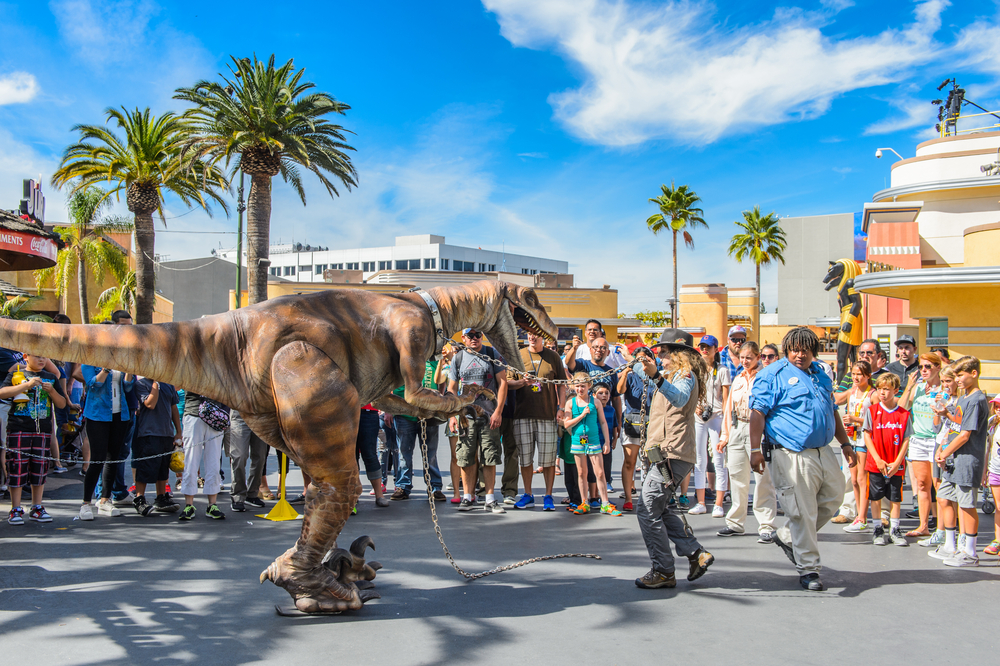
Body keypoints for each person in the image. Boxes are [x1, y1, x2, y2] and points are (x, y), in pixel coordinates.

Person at [749, 327, 855, 592]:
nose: (800, 354)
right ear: (787, 350)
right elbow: (757, 414)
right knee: (803, 511)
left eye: (806, 350)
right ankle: (809, 569)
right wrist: (754, 450)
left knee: (835, 497)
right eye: (795, 349)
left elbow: (833, 411)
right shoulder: (771, 375)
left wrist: (845, 443)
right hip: (790, 452)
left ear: (813, 351)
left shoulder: (821, 374)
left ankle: (786, 536)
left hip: (824, 449)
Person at [634, 332, 714, 590]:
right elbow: (639, 370)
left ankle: (664, 570)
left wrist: (655, 374)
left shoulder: (685, 376)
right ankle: (695, 553)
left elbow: (678, 398)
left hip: (673, 453)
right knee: (660, 508)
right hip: (666, 452)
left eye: (664, 352)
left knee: (647, 509)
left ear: (679, 355)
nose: (661, 357)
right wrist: (641, 362)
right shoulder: (670, 376)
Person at [929, 355, 989, 567]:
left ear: (974, 373)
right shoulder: (964, 398)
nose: (957, 380)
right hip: (953, 458)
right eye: (955, 375)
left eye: (960, 375)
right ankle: (951, 545)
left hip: (967, 458)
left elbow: (965, 434)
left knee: (966, 505)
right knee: (946, 497)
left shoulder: (977, 399)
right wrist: (946, 414)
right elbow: (959, 423)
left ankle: (970, 552)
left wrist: (944, 453)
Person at [717, 341, 776, 541]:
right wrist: (725, 435)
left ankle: (766, 524)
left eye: (749, 358)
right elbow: (728, 409)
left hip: (757, 428)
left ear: (758, 357)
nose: (744, 361)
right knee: (736, 475)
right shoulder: (738, 379)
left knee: (762, 478)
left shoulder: (765, 378)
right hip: (737, 427)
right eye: (742, 357)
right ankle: (735, 522)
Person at [448, 328, 508, 514]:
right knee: (466, 456)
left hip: (489, 416)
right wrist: (452, 415)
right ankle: (467, 497)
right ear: (464, 338)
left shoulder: (492, 354)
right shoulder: (458, 359)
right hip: (466, 416)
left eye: (478, 335)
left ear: (482, 337)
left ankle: (489, 498)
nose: (474, 339)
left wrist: (498, 411)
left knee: (489, 457)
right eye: (470, 336)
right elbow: (452, 388)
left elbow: (503, 383)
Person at [1, 354, 66, 524]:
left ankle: (37, 507)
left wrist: (51, 391)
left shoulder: (51, 377)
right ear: (26, 357)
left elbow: (62, 404)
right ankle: (15, 508)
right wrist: (27, 385)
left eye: (45, 357)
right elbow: (2, 393)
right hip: (18, 427)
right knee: (16, 467)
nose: (41, 360)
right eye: (37, 356)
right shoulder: (17, 374)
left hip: (42, 430)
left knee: (40, 468)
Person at [510, 331, 567, 511]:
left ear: (542, 336)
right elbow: (508, 382)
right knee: (525, 459)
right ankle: (528, 494)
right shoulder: (517, 355)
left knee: (548, 460)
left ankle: (548, 495)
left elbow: (562, 385)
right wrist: (523, 383)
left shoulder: (553, 356)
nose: (532, 337)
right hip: (522, 415)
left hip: (547, 415)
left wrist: (561, 408)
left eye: (535, 334)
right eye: (529, 334)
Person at [79, 360, 135, 520]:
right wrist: (105, 369)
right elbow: (92, 385)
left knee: (113, 459)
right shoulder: (89, 360)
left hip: (120, 414)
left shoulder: (120, 359)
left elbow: (128, 387)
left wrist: (130, 370)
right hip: (97, 414)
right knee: (97, 459)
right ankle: (86, 503)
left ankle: (105, 500)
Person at [860, 373, 910, 546]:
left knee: (895, 498)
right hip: (876, 463)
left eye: (886, 389)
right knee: (875, 497)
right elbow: (867, 435)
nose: (882, 393)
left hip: (895, 464)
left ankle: (895, 529)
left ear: (895, 390)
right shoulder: (872, 411)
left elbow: (906, 439)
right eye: (880, 389)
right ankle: (877, 528)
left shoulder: (903, 414)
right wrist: (878, 459)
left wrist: (897, 463)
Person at [898, 353, 945, 537]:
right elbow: (901, 410)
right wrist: (909, 387)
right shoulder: (917, 387)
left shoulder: (944, 388)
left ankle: (942, 528)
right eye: (921, 367)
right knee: (922, 485)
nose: (923, 370)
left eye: (928, 367)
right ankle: (923, 526)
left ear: (938, 368)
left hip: (936, 440)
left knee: (939, 486)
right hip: (917, 440)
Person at [563, 372, 620, 516]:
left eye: (583, 386)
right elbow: (566, 423)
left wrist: (607, 441)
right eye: (577, 386)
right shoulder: (570, 403)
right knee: (582, 473)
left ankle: (605, 503)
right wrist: (581, 415)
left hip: (594, 440)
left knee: (599, 472)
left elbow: (603, 422)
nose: (580, 389)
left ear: (589, 386)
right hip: (578, 440)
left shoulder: (595, 402)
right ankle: (584, 502)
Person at [689, 335, 730, 517]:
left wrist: (726, 423)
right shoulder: (695, 370)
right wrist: (696, 405)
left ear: (716, 349)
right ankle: (701, 502)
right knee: (699, 460)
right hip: (699, 417)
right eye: (702, 347)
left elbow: (727, 399)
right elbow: (691, 392)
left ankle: (719, 503)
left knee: (719, 460)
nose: (704, 350)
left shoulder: (722, 370)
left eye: (708, 347)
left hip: (717, 417)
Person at [391, 361, 443, 503]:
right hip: (404, 413)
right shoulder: (401, 359)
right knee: (404, 453)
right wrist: (389, 409)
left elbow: (440, 381)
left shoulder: (433, 361)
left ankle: (435, 487)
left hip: (428, 414)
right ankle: (403, 486)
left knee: (430, 454)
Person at [617, 345, 660, 510]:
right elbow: (620, 390)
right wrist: (626, 372)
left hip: (652, 422)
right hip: (632, 420)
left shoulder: (655, 376)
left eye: (645, 358)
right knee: (630, 461)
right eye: (638, 359)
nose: (641, 362)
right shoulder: (631, 374)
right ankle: (629, 497)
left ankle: (650, 496)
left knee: (652, 462)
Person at [131, 376, 182, 515]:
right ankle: (139, 498)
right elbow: (150, 404)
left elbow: (173, 407)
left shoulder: (169, 384)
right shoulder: (141, 384)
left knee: (162, 467)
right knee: (146, 466)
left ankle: (161, 497)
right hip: (149, 432)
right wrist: (155, 384)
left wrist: (178, 431)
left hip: (166, 433)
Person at [836, 361, 875, 532]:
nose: (856, 377)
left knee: (862, 479)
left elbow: (875, 419)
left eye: (859, 374)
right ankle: (859, 516)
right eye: (853, 374)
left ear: (868, 376)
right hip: (852, 438)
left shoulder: (872, 394)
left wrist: (857, 420)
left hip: (865, 439)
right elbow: (845, 409)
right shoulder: (851, 393)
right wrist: (848, 421)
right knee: (853, 480)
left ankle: (863, 517)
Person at [178, 391, 226, 521]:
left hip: (214, 414)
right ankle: (189, 505)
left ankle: (212, 504)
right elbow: (177, 385)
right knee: (191, 461)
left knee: (214, 461)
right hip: (194, 412)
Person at [227, 409, 270, 512]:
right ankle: (237, 496)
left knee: (260, 457)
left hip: (259, 416)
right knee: (239, 456)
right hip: (240, 414)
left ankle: (252, 494)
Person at [434, 346, 462, 502]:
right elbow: (438, 381)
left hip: (466, 412)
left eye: (457, 350)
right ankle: (457, 488)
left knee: (471, 454)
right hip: (453, 415)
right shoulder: (446, 367)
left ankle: (471, 486)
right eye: (454, 349)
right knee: (455, 455)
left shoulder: (464, 363)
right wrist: (441, 361)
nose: (453, 351)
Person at [983, 397, 1000, 556]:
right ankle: (997, 540)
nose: (998, 408)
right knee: (999, 508)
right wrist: (985, 471)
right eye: (996, 405)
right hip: (995, 470)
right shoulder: (993, 423)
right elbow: (988, 448)